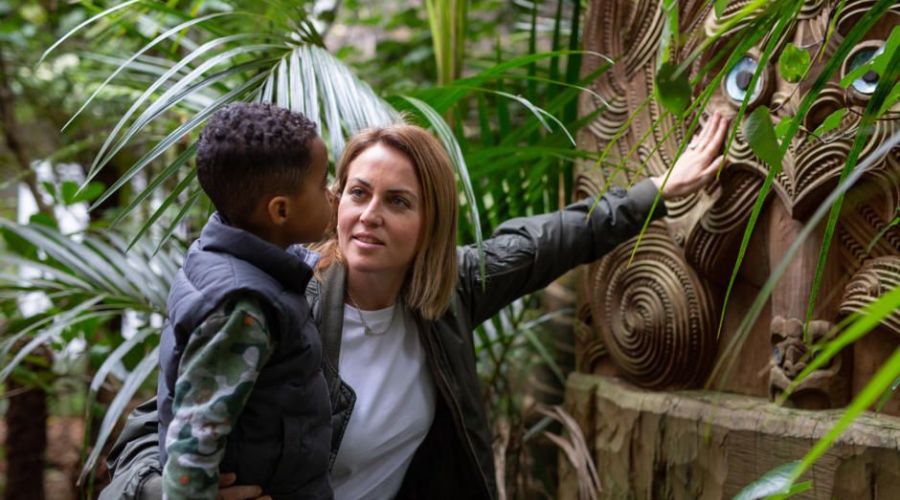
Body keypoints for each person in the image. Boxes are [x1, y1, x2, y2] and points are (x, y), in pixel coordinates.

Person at [100, 111, 729, 500]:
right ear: (334, 200)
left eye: (397, 201)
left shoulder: (448, 294)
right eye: (357, 192)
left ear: (432, 223)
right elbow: (149, 430)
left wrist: (655, 193)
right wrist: (164, 492)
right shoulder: (280, 307)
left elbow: (541, 243)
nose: (369, 215)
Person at [156, 103, 334, 499]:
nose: (333, 192)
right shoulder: (243, 306)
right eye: (323, 184)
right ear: (280, 210)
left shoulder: (223, 258)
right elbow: (195, 437)